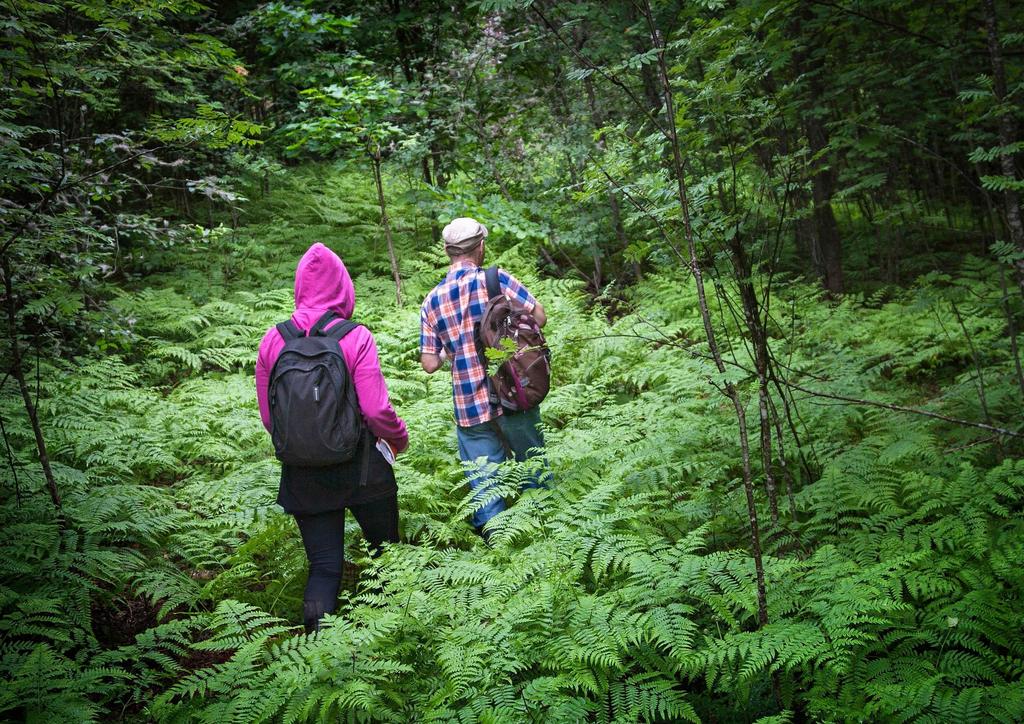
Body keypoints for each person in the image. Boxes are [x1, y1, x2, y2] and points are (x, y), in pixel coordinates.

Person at [255, 242, 408, 632]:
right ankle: (396, 642)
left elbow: (270, 417)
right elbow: (375, 410)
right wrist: (398, 439)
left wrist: (307, 443)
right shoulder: (355, 337)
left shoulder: (274, 340)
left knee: (323, 567)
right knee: (388, 558)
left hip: (303, 472)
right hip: (363, 469)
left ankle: (314, 656)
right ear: (343, 285)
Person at [419, 217, 549, 538]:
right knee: (533, 469)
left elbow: (429, 363)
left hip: (469, 407)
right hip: (513, 393)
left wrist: (456, 346)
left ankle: (498, 548)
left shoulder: (431, 301)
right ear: (480, 247)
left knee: (485, 486)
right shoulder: (497, 280)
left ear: (449, 252)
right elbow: (541, 317)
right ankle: (545, 535)